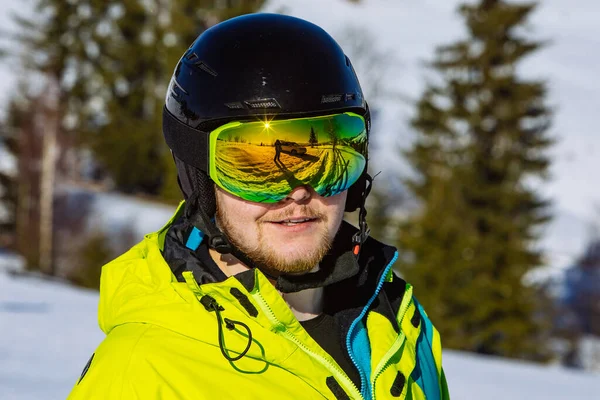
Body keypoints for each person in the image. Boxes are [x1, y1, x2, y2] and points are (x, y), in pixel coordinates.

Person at [67, 13, 449, 400]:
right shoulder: (142, 373)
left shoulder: (398, 321)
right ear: (200, 176)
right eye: (257, 167)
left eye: (326, 158)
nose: (299, 192)